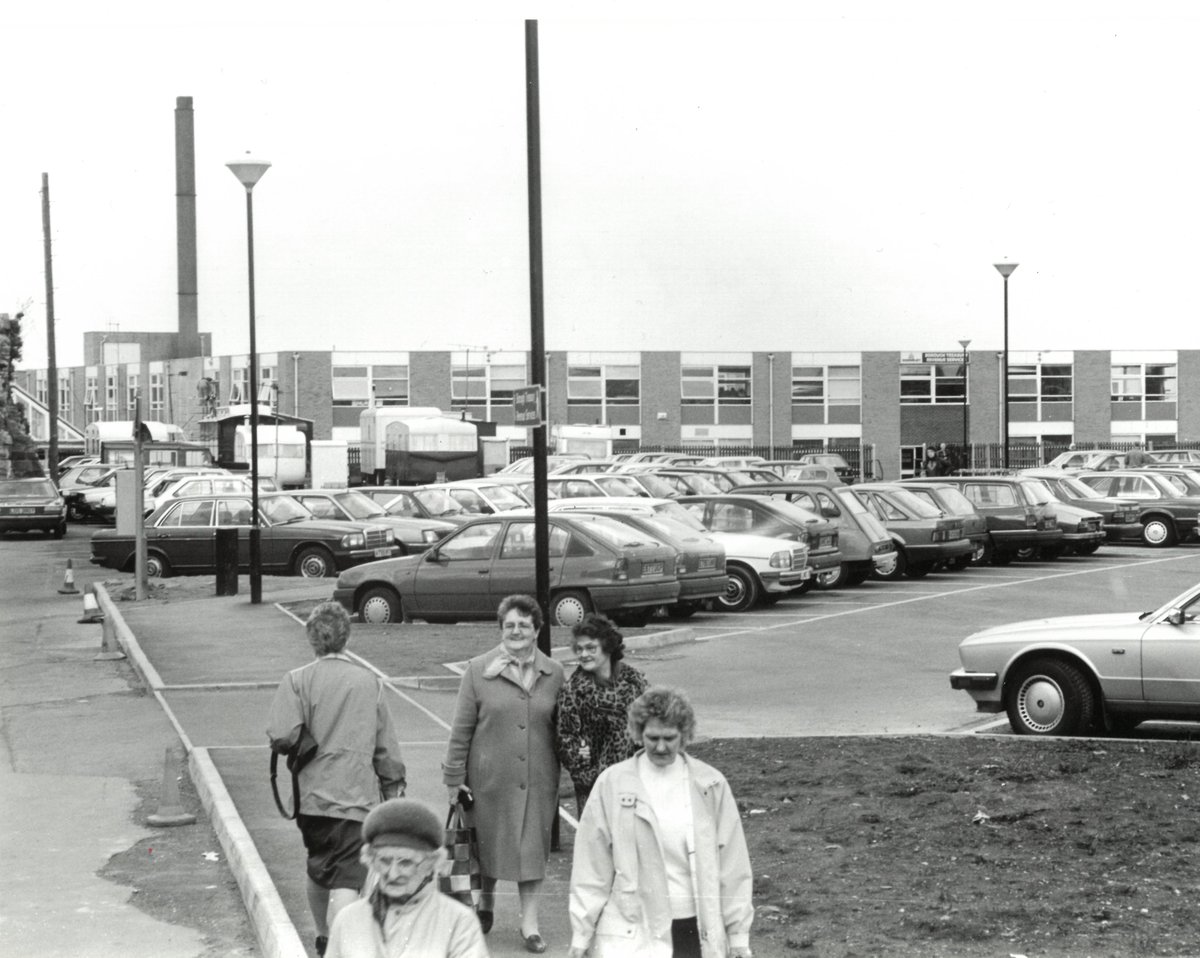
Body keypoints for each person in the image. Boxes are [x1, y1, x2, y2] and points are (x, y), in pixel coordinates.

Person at [567, 686, 754, 958]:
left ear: (685, 735)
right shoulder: (612, 783)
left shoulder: (710, 784)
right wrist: (581, 936)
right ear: (638, 733)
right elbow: (591, 866)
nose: (661, 746)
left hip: (693, 930)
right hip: (630, 931)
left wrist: (738, 936)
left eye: (670, 738)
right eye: (652, 737)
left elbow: (733, 866)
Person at [267, 601, 407, 958]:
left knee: (318, 866)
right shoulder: (368, 683)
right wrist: (393, 787)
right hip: (355, 798)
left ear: (312, 640)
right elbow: (384, 747)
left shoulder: (296, 680)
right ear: (347, 636)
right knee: (347, 878)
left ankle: (321, 933)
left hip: (311, 798)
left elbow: (282, 734)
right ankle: (340, 949)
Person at [442, 594, 565, 954]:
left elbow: (564, 727)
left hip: (538, 780)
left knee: (532, 851)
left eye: (524, 625)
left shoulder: (554, 673)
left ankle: (530, 925)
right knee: (489, 848)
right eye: (509, 625)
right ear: (500, 629)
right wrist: (453, 778)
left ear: (537, 630)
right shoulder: (478, 670)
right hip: (489, 781)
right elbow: (460, 729)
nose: (516, 631)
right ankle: (486, 903)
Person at [324, 798, 490, 958]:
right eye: (385, 861)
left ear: (430, 865)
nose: (393, 874)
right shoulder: (348, 919)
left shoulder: (458, 922)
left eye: (406, 863)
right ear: (371, 860)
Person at [556, 613, 648, 813]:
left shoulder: (635, 682)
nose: (583, 654)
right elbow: (566, 739)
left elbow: (653, 724)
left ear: (607, 647)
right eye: (579, 649)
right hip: (596, 788)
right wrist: (586, 774)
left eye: (590, 648)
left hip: (636, 783)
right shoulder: (573, 690)